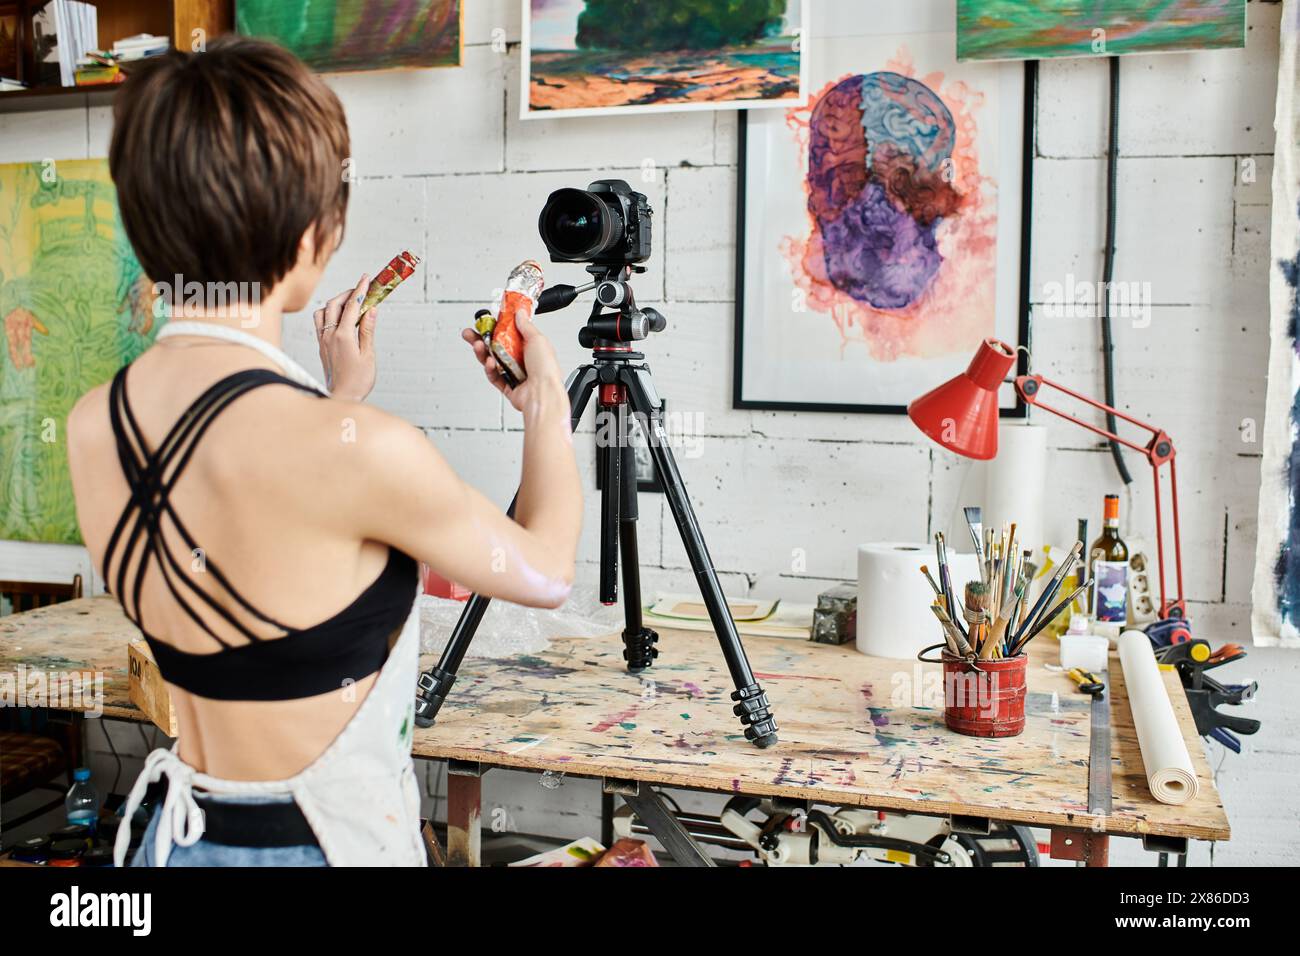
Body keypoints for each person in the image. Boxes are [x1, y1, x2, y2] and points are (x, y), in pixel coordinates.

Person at [65, 36, 582, 866]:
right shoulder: (365, 454)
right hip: (320, 848)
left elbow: (252, 525)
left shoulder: (97, 423)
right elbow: (546, 571)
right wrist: (545, 401)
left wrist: (337, 399)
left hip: (175, 839)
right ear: (313, 237)